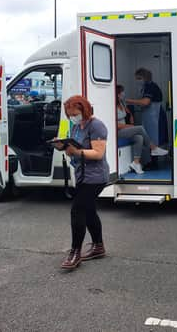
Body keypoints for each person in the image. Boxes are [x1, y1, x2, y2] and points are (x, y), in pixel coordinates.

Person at [55, 95, 109, 270]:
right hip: (82, 175)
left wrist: (76, 152)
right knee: (89, 210)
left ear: (84, 110)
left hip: (95, 177)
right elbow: (74, 151)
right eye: (69, 114)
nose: (72, 117)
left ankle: (75, 253)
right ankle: (98, 247)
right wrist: (65, 149)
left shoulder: (97, 126)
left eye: (75, 113)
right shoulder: (76, 127)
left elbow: (98, 154)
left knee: (77, 210)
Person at [116, 85, 168, 175]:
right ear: (117, 94)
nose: (123, 94)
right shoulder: (112, 106)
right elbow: (116, 125)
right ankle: (153, 148)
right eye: (122, 92)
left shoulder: (121, 103)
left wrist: (131, 117)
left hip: (125, 130)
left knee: (139, 137)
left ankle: (136, 163)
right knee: (140, 128)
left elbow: (128, 113)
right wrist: (130, 126)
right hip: (118, 131)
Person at [125, 68, 168, 146]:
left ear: (145, 77)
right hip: (150, 116)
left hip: (155, 116)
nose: (137, 81)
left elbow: (145, 102)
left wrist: (127, 100)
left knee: (155, 139)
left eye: (139, 78)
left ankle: (155, 157)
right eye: (136, 79)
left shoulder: (150, 87)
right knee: (150, 139)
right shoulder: (145, 87)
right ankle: (153, 156)